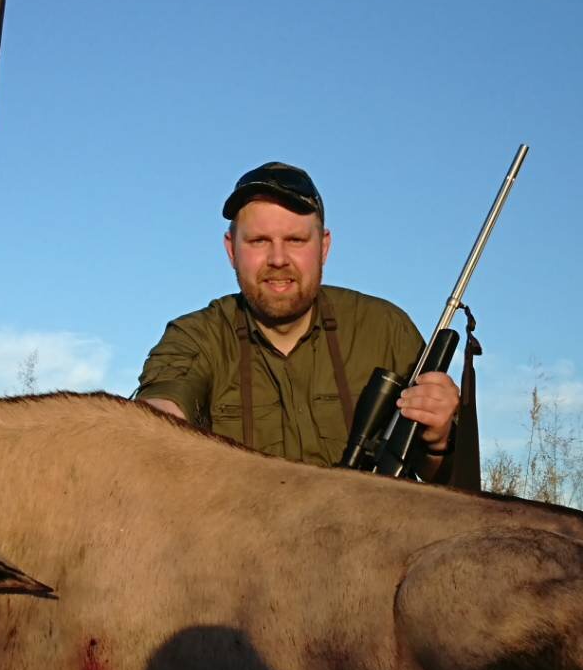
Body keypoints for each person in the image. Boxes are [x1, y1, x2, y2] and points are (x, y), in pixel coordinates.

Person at [136, 161, 459, 481]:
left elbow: (443, 480)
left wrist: (438, 441)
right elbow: (161, 405)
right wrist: (148, 425)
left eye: (295, 240)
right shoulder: (195, 336)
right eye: (259, 241)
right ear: (231, 249)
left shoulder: (386, 328)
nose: (278, 259)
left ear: (324, 247)